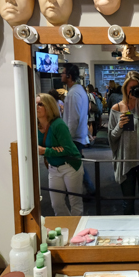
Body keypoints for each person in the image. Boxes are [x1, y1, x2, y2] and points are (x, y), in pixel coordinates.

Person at [108, 71, 139, 215]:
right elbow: (111, 138)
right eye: (131, 88)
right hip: (126, 159)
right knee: (128, 201)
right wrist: (119, 126)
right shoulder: (116, 109)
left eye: (137, 87)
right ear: (125, 89)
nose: (134, 90)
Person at [38, 93, 84, 216]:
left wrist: (45, 151)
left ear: (49, 107)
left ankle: (77, 232)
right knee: (56, 204)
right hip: (53, 168)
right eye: (35, 104)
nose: (36, 107)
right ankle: (67, 228)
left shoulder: (58, 125)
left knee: (75, 203)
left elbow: (68, 149)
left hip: (70, 166)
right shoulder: (35, 126)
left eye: (40, 104)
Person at [61, 63, 96, 195]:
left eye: (63, 73)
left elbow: (74, 118)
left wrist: (67, 139)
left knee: (76, 165)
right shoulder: (79, 90)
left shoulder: (74, 93)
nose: (61, 75)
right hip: (78, 135)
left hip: (74, 137)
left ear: (69, 76)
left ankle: (88, 190)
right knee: (76, 164)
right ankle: (88, 189)